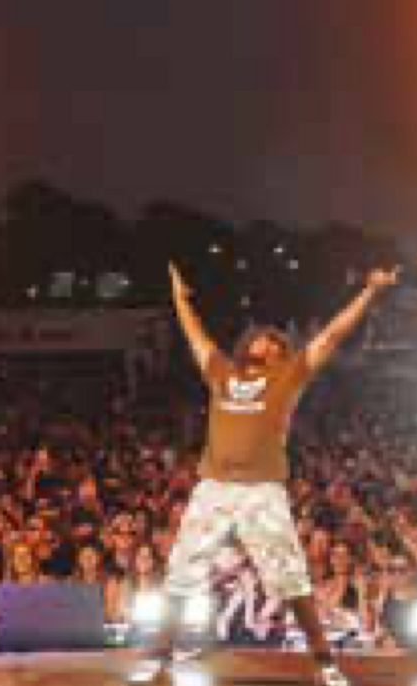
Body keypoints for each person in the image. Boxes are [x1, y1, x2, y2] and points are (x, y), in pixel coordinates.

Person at [134, 263, 398, 686]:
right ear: (247, 345)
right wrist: (180, 299)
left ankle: (325, 661)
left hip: (262, 490)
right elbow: (195, 335)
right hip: (215, 487)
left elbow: (332, 334)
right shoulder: (222, 372)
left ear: (282, 352)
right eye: (262, 336)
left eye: (276, 340)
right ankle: (159, 654)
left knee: (290, 577)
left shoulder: (288, 376)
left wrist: (369, 291)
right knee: (182, 569)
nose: (268, 340)